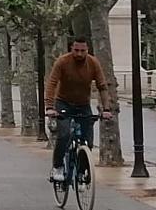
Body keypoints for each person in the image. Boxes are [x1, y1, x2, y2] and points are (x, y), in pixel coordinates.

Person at [43, 36, 115, 183]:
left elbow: (102, 86)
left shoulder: (93, 63)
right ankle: (58, 167)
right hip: (63, 103)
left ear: (87, 50)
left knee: (88, 140)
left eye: (83, 51)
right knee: (63, 135)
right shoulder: (62, 62)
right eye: (76, 50)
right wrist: (50, 107)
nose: (80, 54)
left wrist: (106, 108)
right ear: (71, 49)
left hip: (83, 104)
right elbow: (52, 84)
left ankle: (82, 171)